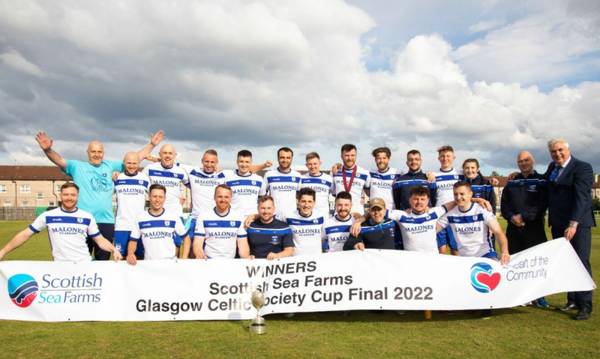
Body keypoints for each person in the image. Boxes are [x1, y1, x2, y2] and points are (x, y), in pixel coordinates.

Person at [35, 130, 163, 260]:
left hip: (106, 222)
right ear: (88, 152)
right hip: (82, 222)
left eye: (99, 151)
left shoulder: (110, 166)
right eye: (93, 151)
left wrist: (152, 145)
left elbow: (134, 159)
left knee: (103, 262)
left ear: (103, 153)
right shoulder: (77, 166)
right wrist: (48, 150)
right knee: (80, 259)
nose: (97, 154)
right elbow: (59, 160)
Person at [0, 182, 121, 262]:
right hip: (59, 268)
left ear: (77, 196)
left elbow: (99, 240)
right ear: (60, 196)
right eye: (66, 194)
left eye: (73, 195)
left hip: (84, 265)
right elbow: (25, 234)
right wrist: (3, 252)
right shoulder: (48, 216)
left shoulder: (87, 217)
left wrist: (114, 250)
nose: (69, 198)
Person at [544, 138, 594, 320]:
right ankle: (572, 300)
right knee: (566, 263)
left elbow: (582, 198)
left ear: (567, 149)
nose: (557, 154)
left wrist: (573, 223)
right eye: (553, 151)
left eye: (560, 150)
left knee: (581, 262)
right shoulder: (552, 168)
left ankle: (585, 305)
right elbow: (544, 184)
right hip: (557, 223)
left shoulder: (582, 167)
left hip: (577, 225)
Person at [501, 151, 549, 308]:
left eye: (526, 160)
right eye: (520, 161)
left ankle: (540, 296)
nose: (523, 163)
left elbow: (543, 203)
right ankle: (518, 296)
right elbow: (504, 205)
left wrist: (524, 216)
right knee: (515, 262)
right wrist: (511, 217)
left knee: (537, 263)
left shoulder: (542, 179)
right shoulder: (512, 180)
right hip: (514, 228)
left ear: (533, 161)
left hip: (534, 227)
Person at [436, 181, 509, 263]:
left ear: (470, 194)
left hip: (485, 255)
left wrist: (504, 252)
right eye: (455, 194)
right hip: (464, 259)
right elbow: (433, 230)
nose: (458, 197)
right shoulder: (450, 214)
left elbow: (498, 232)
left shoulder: (482, 210)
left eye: (462, 194)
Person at [127, 184, 187, 264]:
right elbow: (133, 241)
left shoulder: (173, 216)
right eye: (154, 196)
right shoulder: (140, 217)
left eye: (160, 197)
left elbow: (186, 238)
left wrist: (184, 257)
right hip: (149, 264)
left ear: (165, 198)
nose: (157, 200)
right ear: (149, 197)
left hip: (170, 264)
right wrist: (130, 254)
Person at [191, 185, 250, 259]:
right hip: (209, 261)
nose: (223, 200)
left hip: (230, 263)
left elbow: (243, 246)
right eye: (220, 196)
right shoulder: (203, 216)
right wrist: (199, 254)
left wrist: (247, 258)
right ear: (214, 197)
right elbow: (197, 244)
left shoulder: (239, 217)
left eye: (226, 197)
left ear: (231, 198)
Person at [114, 152, 150, 259]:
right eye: (129, 163)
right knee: (119, 257)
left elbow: (154, 196)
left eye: (135, 163)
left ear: (139, 164)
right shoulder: (117, 178)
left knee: (140, 258)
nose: (132, 166)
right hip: (122, 226)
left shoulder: (145, 179)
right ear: (124, 163)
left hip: (140, 226)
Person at [277, 188, 325, 256]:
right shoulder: (288, 216)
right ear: (298, 202)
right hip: (296, 261)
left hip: (316, 260)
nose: (306, 205)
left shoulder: (321, 216)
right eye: (303, 201)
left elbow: (323, 237)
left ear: (314, 203)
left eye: (309, 201)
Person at [261, 147, 302, 214]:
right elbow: (262, 196)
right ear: (278, 158)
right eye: (282, 157)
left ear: (291, 159)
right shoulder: (269, 175)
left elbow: (299, 197)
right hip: (273, 216)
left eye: (288, 158)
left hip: (292, 216)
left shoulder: (297, 175)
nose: (285, 160)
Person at [222, 150, 265, 216]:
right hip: (234, 217)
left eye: (247, 162)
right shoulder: (228, 180)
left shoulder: (259, 180)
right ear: (237, 162)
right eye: (241, 161)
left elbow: (262, 200)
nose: (244, 165)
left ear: (251, 162)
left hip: (253, 218)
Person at [332, 144, 371, 214]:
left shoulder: (365, 173)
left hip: (357, 213)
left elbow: (370, 192)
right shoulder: (335, 172)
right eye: (346, 155)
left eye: (352, 155)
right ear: (341, 156)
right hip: (339, 212)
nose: (350, 158)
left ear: (356, 156)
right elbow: (333, 192)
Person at [300, 152, 334, 218]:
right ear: (306, 165)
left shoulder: (329, 179)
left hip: (323, 217)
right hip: (307, 217)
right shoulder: (302, 179)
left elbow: (334, 193)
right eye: (310, 164)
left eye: (315, 164)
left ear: (320, 163)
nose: (312, 166)